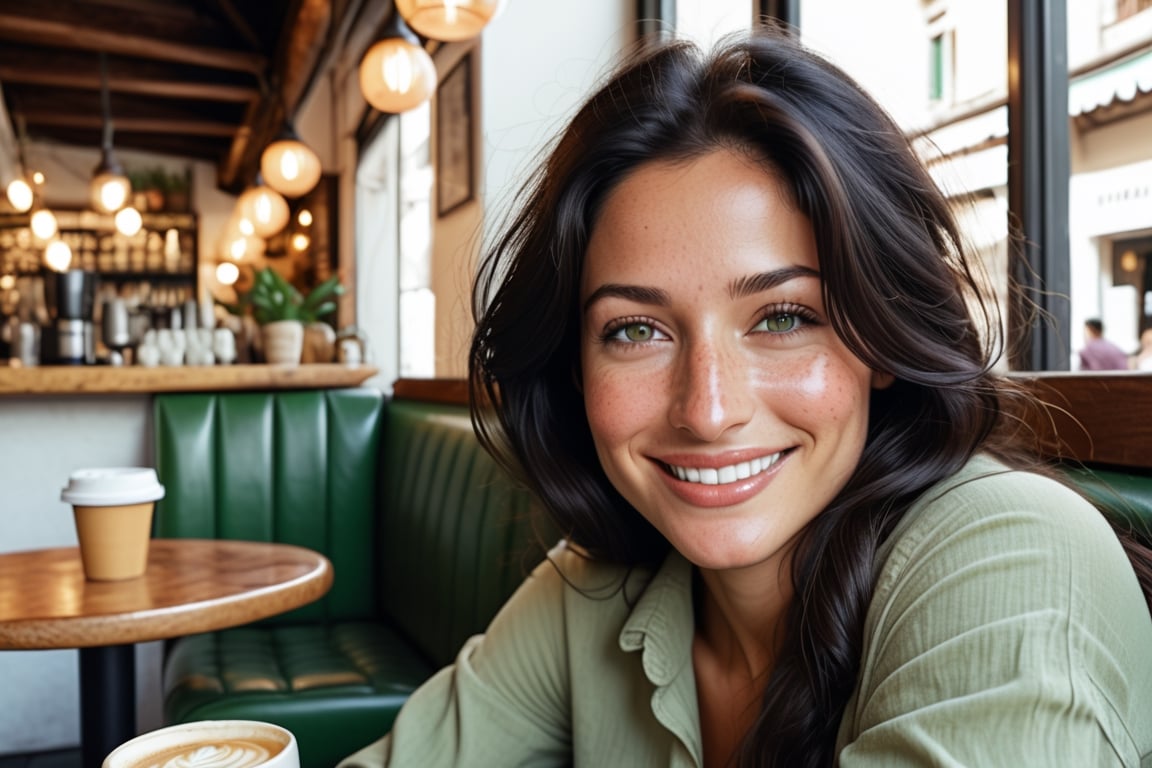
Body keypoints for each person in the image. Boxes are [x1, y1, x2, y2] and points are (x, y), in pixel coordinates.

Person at [340, 28, 1152, 767]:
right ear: (573, 367)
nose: (708, 408)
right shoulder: (594, 587)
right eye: (634, 331)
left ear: (881, 340)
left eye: (784, 317)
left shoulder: (1014, 554)